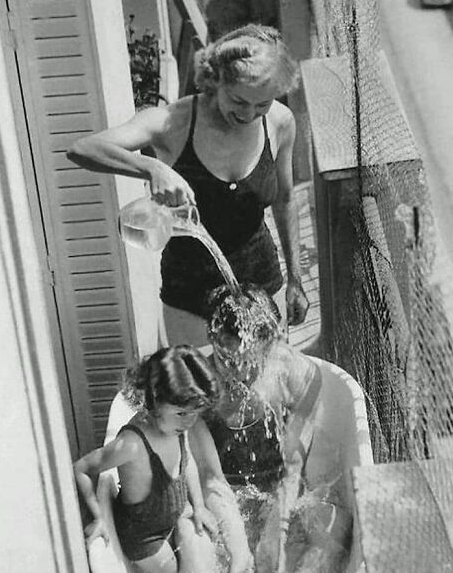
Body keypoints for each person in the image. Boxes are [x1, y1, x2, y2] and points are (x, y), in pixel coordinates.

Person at [67, 23, 309, 346]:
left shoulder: (280, 122)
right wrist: (150, 167)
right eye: (239, 101)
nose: (250, 113)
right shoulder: (173, 123)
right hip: (191, 295)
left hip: (261, 281)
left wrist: (295, 278)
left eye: (261, 104)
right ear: (215, 79)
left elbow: (285, 199)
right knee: (203, 391)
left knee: (271, 389)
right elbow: (82, 149)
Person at [73, 346, 252, 573]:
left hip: (172, 515)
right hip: (146, 540)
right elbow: (82, 468)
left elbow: (186, 462)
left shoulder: (175, 427)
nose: (189, 422)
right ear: (155, 399)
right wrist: (99, 517)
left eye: (195, 413)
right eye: (182, 413)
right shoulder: (132, 444)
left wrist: (199, 506)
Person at [203, 284, 328, 573]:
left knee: (333, 535)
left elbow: (293, 468)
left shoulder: (298, 374)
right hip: (221, 495)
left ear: (271, 342)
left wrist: (277, 527)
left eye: (253, 361)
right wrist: (236, 540)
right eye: (230, 361)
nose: (242, 373)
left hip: (279, 488)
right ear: (211, 339)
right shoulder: (198, 385)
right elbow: (204, 475)